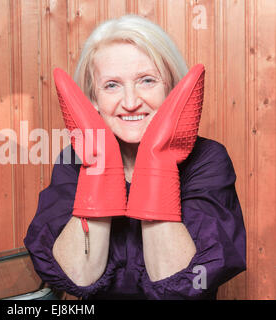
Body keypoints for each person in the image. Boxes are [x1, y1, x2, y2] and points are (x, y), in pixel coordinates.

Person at [24, 15, 246, 300]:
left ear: (173, 89)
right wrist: (99, 166)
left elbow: (176, 283)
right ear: (93, 100)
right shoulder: (74, 160)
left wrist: (158, 158)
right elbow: (77, 276)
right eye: (112, 85)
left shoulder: (207, 159)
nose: (130, 102)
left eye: (147, 81)